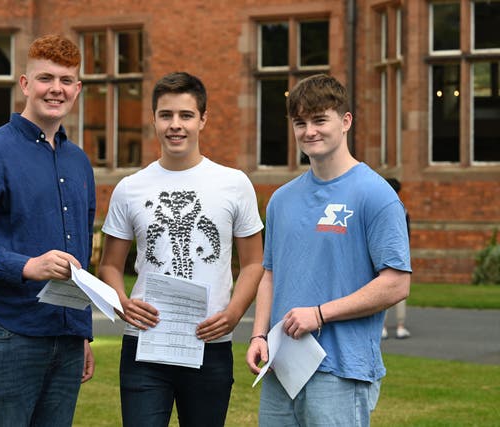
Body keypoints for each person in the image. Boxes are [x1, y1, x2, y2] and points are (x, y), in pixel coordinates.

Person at [0, 34, 95, 427]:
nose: (56, 89)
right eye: (46, 78)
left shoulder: (78, 162)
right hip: (7, 330)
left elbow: (78, 252)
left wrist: (81, 329)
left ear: (77, 89)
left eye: (66, 80)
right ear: (25, 84)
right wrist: (29, 265)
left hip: (65, 335)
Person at [98, 71, 264, 427]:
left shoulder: (234, 184)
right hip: (146, 344)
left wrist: (233, 314)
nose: (176, 125)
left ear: (203, 119)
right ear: (154, 119)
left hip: (210, 342)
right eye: (166, 115)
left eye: (186, 115)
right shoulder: (130, 188)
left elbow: (254, 263)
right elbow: (109, 265)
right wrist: (122, 303)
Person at [246, 74, 411, 426]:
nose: (310, 131)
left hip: (341, 371)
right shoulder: (281, 200)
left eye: (320, 120)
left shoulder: (375, 194)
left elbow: (397, 283)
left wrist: (319, 314)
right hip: (282, 367)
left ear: (346, 121)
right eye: (300, 122)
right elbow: (270, 275)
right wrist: (259, 335)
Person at [382, 177, 411, 339]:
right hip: (400, 254)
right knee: (399, 290)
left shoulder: (381, 206)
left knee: (382, 290)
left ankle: (383, 327)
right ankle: (400, 326)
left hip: (383, 253)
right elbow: (407, 234)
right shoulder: (402, 209)